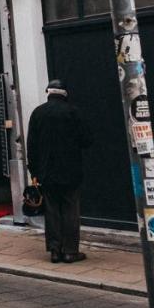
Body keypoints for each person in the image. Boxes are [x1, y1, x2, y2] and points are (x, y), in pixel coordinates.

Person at [26, 80, 94, 263]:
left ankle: (55, 250)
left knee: (52, 210)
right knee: (70, 209)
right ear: (65, 93)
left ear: (48, 93)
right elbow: (87, 140)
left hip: (47, 171)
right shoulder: (73, 112)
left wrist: (34, 171)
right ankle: (70, 251)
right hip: (70, 170)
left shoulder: (38, 113)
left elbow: (31, 145)